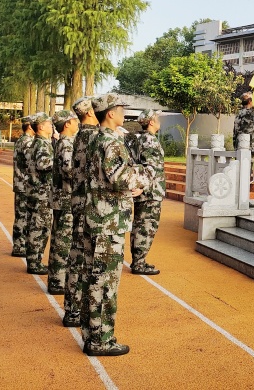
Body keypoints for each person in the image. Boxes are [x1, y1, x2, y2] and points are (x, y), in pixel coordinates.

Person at [81, 93, 151, 357]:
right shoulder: (110, 141)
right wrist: (143, 176)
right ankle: (100, 340)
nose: (124, 113)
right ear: (110, 113)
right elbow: (119, 177)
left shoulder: (95, 139)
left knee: (94, 278)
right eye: (121, 109)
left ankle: (91, 334)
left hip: (98, 217)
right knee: (105, 282)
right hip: (107, 222)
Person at [63, 97, 98, 328]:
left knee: (75, 256)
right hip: (89, 206)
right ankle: (77, 310)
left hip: (78, 203)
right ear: (90, 113)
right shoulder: (93, 137)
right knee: (84, 259)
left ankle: (71, 309)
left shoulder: (78, 137)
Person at [127, 109, 165, 275]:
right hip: (150, 191)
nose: (159, 120)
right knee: (146, 226)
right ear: (151, 122)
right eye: (157, 118)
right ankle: (139, 263)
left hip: (144, 189)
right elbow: (149, 167)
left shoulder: (140, 139)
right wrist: (143, 186)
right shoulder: (150, 140)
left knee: (139, 225)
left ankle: (138, 260)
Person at [46, 109, 79, 294]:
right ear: (67, 124)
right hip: (65, 197)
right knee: (63, 240)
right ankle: (57, 281)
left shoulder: (64, 142)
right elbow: (68, 169)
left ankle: (55, 278)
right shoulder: (66, 143)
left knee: (60, 238)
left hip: (62, 197)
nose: (77, 123)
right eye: (74, 121)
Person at [25, 112, 54, 275]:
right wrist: (59, 162)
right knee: (39, 227)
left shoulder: (41, 142)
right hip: (40, 192)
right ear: (41, 127)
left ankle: (35, 260)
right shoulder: (41, 144)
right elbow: (44, 165)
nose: (51, 126)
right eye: (49, 124)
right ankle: (34, 262)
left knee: (40, 226)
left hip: (39, 191)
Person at [11, 115, 35, 257]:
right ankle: (19, 246)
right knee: (23, 216)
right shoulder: (27, 142)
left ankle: (19, 244)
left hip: (21, 183)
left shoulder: (22, 140)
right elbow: (30, 163)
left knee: (21, 215)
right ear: (30, 127)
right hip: (24, 184)